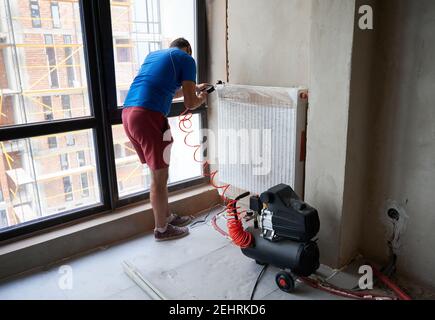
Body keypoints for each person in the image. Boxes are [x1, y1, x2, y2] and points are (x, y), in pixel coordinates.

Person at [122, 38, 208, 242]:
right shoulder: (187, 59)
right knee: (159, 178)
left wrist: (194, 88)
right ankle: (162, 229)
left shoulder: (154, 56)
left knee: (157, 173)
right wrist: (202, 97)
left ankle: (166, 216)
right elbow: (190, 102)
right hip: (149, 116)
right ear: (187, 50)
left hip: (129, 115)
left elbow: (169, 91)